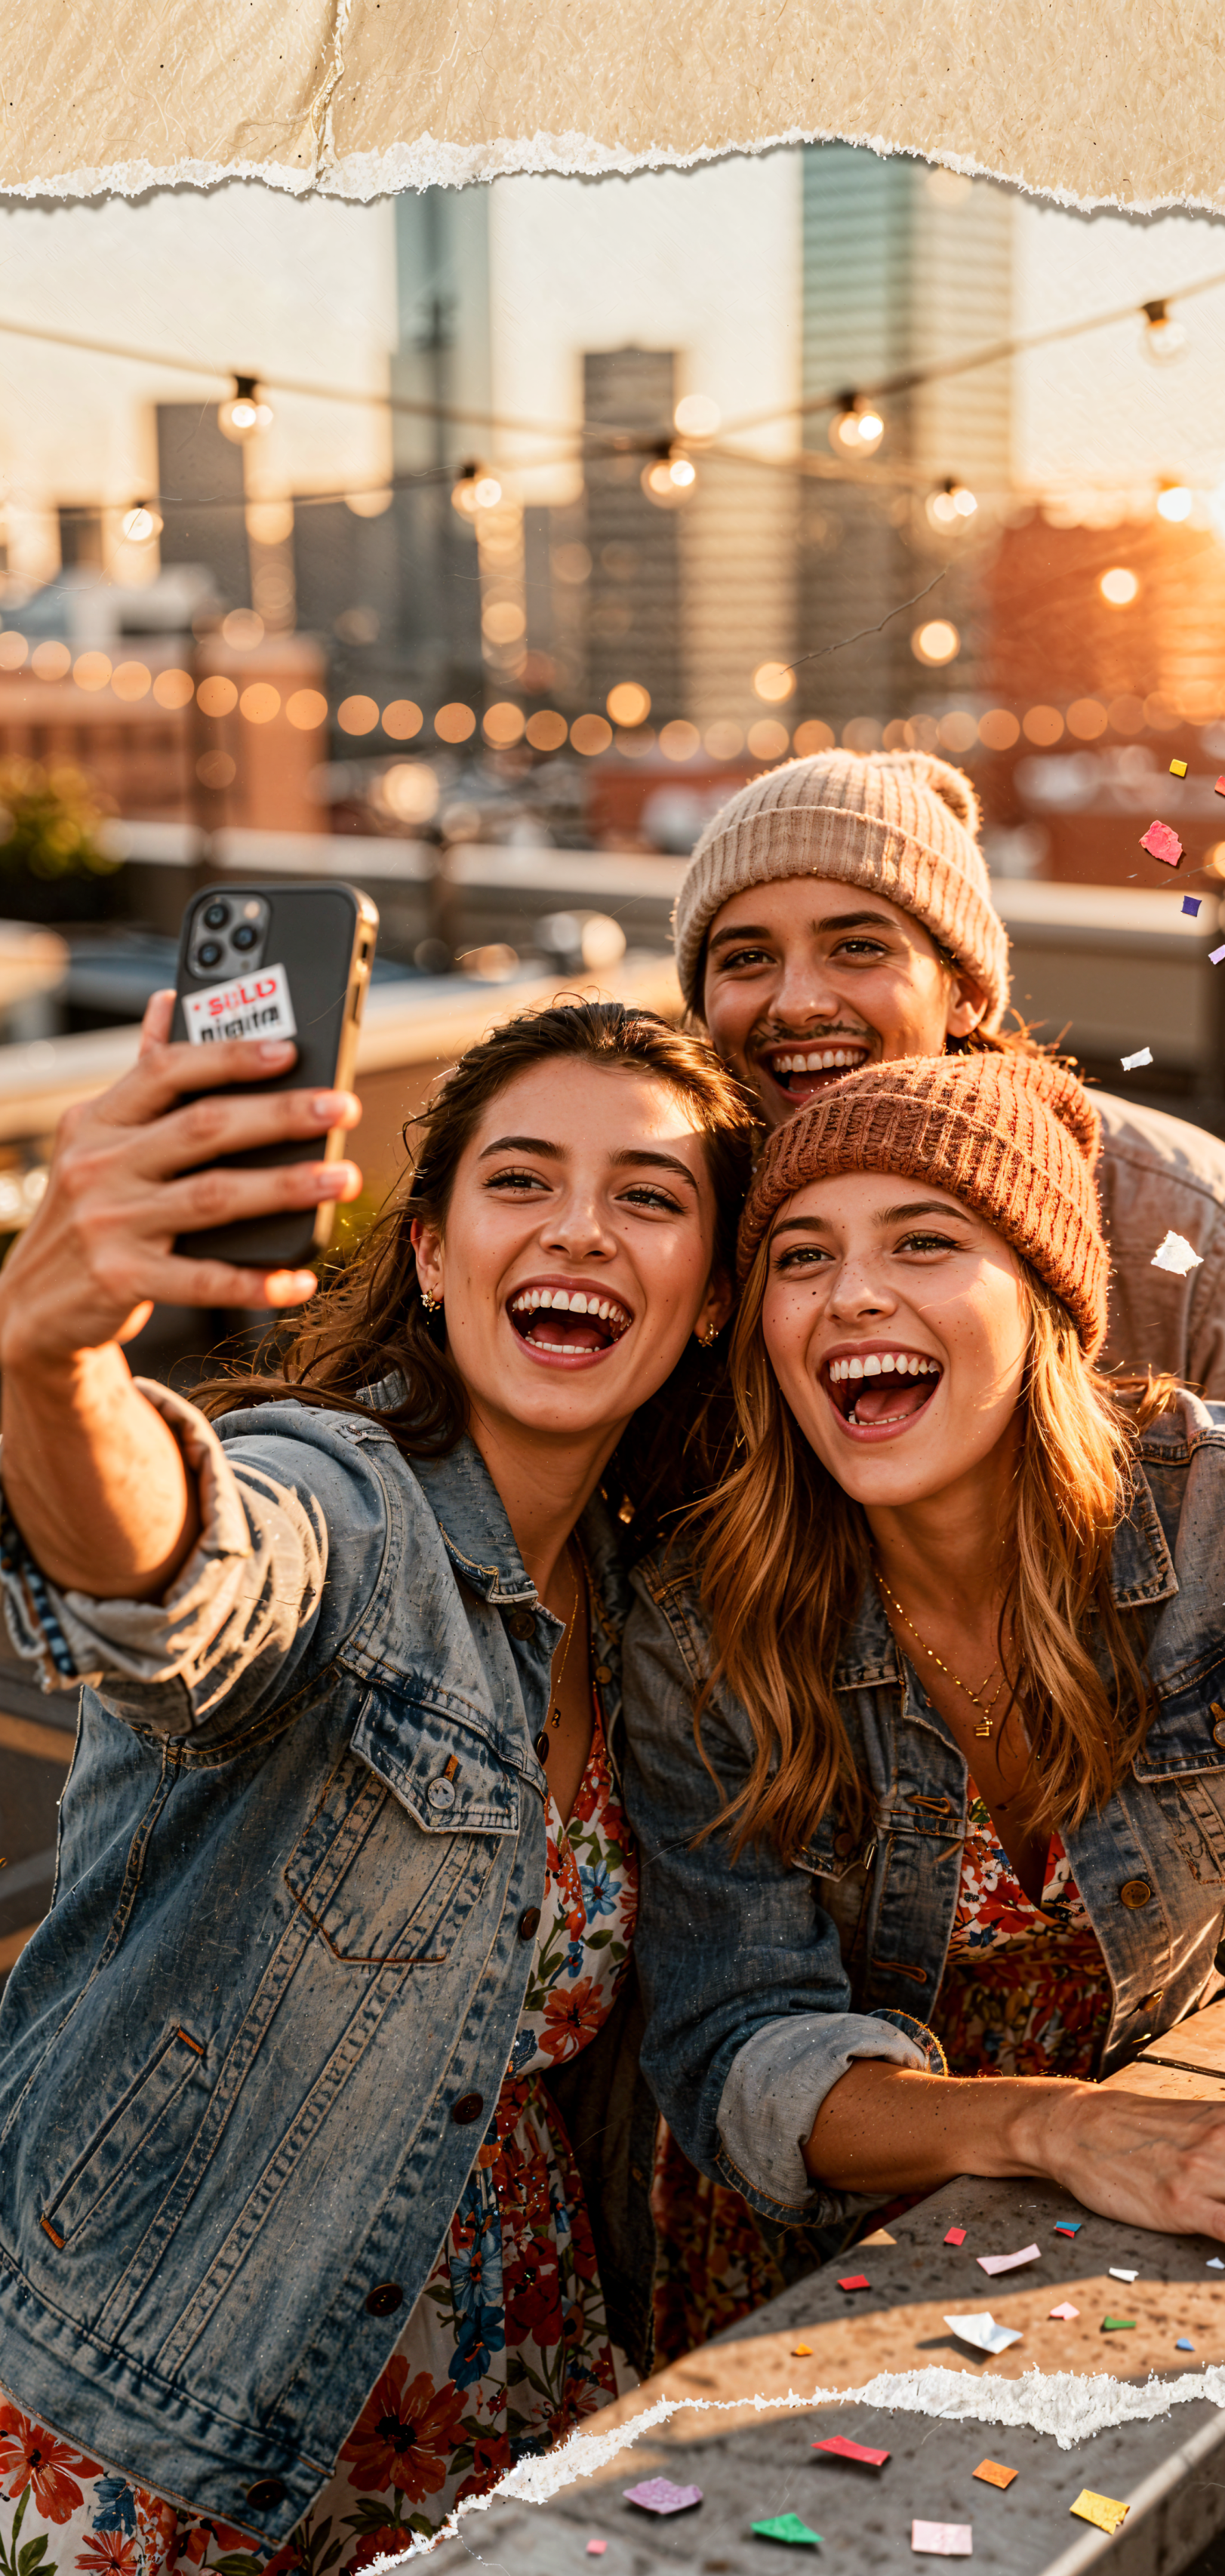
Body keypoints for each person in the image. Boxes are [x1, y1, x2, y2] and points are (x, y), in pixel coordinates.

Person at [0, 996, 755, 2576]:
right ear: (428, 1252)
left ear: (707, 1299)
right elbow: (193, 1571)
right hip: (169, 2408)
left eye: (651, 1195)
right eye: (522, 1180)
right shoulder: (340, 1494)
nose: (583, 1230)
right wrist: (56, 1365)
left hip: (494, 2389)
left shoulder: (637, 1606)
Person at [624, 1052, 1225, 2273]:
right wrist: (1067, 2128)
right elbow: (739, 2053)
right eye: (803, 1255)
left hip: (1218, 2232)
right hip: (839, 2287)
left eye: (922, 1242)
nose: (852, 1294)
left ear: (1045, 1299)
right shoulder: (703, 1620)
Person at [673, 745, 1225, 1811]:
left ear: (963, 988)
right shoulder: (683, 1224)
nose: (797, 1000)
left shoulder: (1183, 1228)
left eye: (859, 946)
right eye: (745, 958)